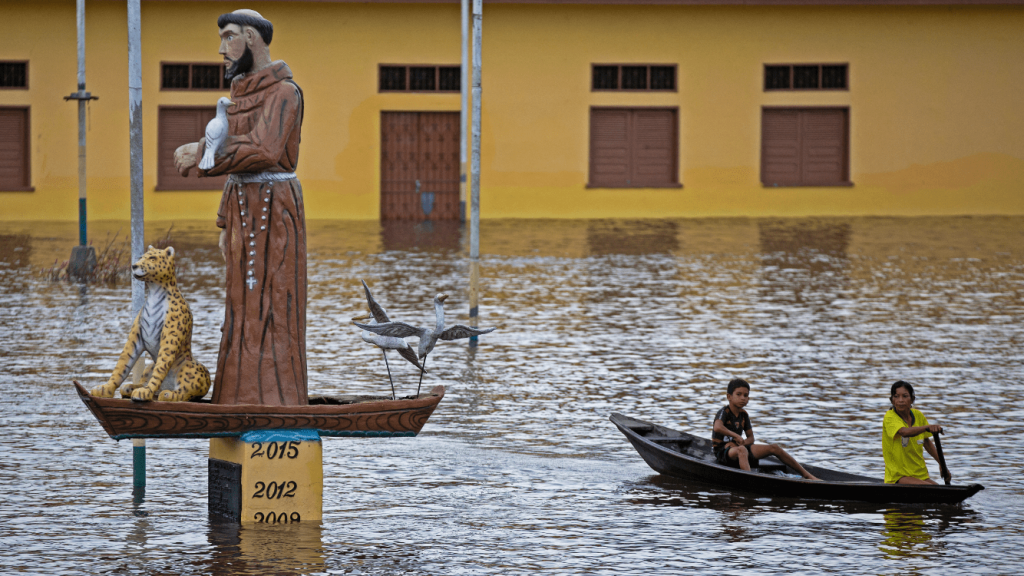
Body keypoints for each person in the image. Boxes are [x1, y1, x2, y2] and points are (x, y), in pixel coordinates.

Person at [174, 9, 307, 406]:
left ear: (251, 38)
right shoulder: (239, 96)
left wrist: (202, 153)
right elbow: (238, 173)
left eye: (228, 37)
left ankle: (277, 401)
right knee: (240, 306)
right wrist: (223, 222)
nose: (222, 49)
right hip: (241, 211)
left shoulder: (285, 93)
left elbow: (264, 150)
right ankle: (235, 397)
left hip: (274, 212)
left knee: (273, 303)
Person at [711, 378, 820, 480]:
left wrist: (741, 442)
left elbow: (751, 438)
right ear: (729, 396)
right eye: (738, 394)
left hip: (737, 448)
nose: (743, 398)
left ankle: (807, 475)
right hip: (723, 452)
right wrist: (736, 437)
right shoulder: (724, 412)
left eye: (746, 395)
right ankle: (751, 481)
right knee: (742, 450)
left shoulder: (744, 415)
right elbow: (717, 427)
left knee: (774, 448)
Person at [883, 380, 950, 485]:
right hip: (898, 476)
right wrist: (927, 427)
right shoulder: (890, 417)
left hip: (919, 474)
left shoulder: (918, 415)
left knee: (939, 489)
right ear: (891, 400)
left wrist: (942, 464)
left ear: (912, 399)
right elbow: (904, 432)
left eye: (905, 396)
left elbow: (926, 442)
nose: (900, 400)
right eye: (896, 396)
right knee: (932, 490)